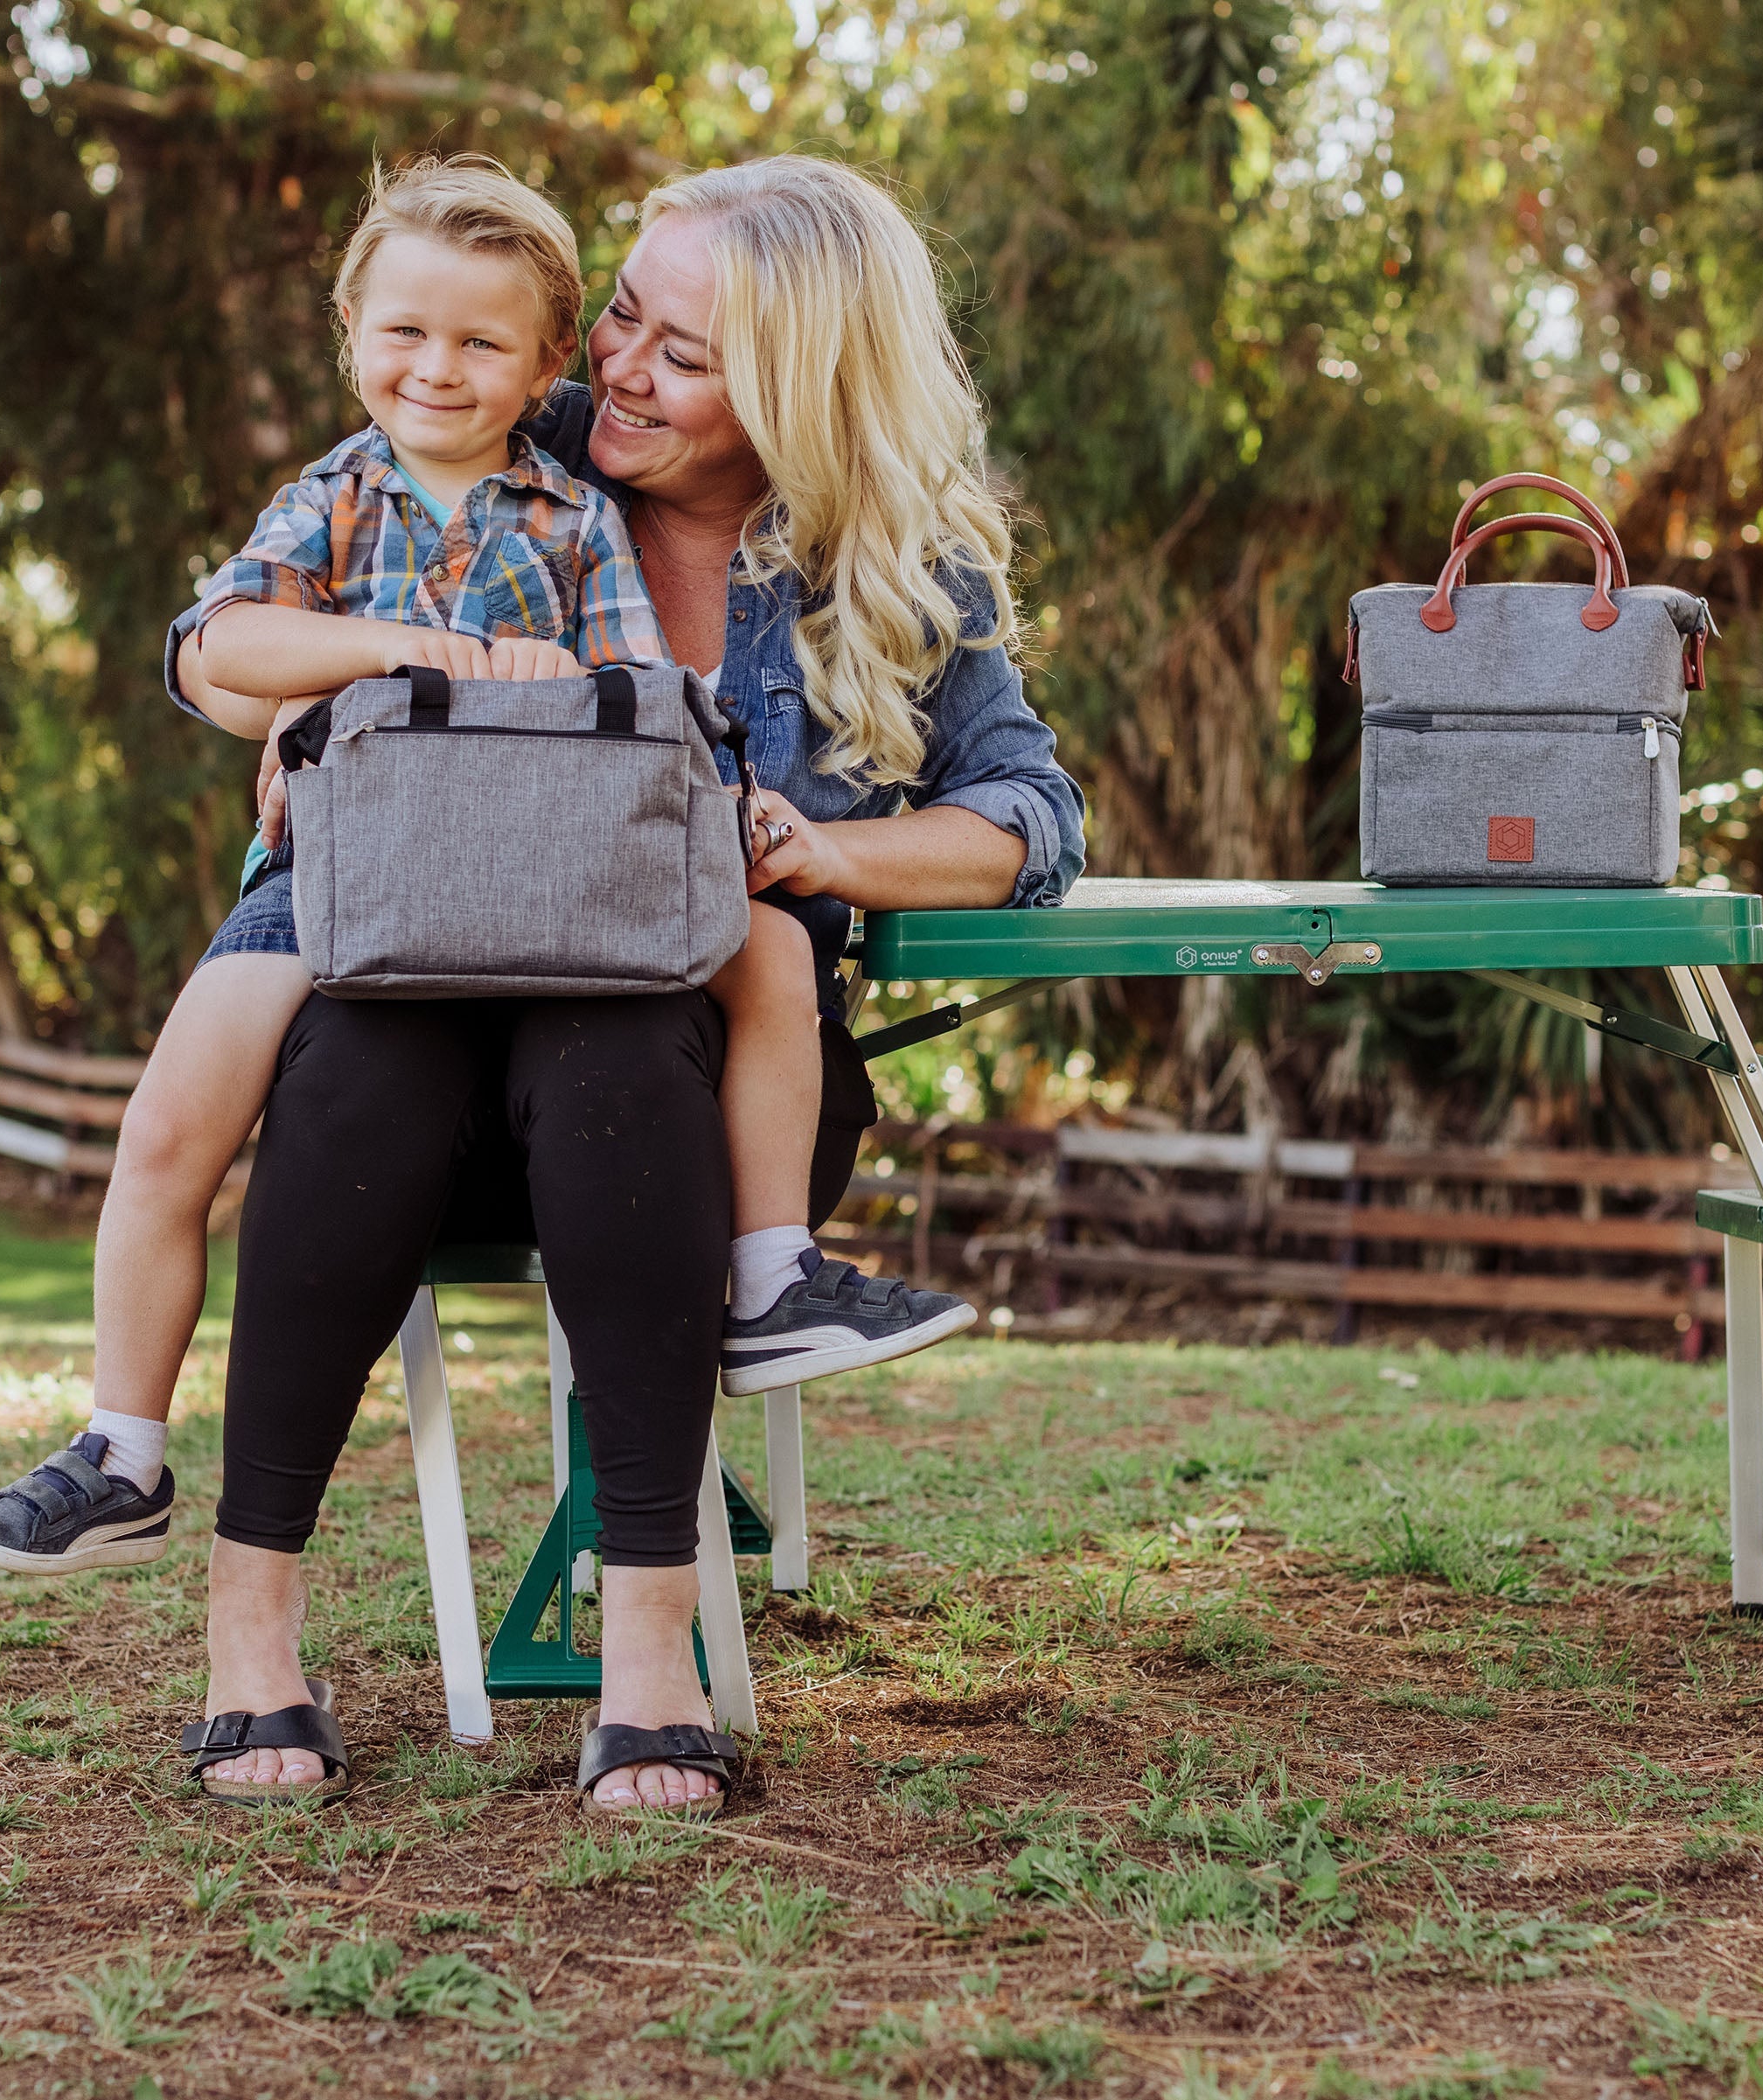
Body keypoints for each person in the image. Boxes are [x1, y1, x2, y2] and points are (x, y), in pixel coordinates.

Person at [0, 156, 975, 1594]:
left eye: (489, 346)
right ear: (354, 331)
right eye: (624, 323)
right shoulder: (339, 496)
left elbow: (645, 702)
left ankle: (771, 1272)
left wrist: (746, 806)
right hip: (343, 878)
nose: (446, 369)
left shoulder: (575, 512)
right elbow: (218, 647)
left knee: (778, 950)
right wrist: (392, 662)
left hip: (561, 891)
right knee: (174, 1116)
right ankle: (120, 1446)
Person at [187, 156, 1083, 1811]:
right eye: (620, 317)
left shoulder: (882, 580)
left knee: (617, 1058)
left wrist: (815, 851)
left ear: (801, 393)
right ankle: (252, 1641)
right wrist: (351, 705)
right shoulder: (479, 464)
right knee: (356, 1062)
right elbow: (239, 643)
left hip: (708, 1083)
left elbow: (1030, 815)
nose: (616, 365)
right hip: (433, 1024)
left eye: (682, 354)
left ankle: (650, 1661)